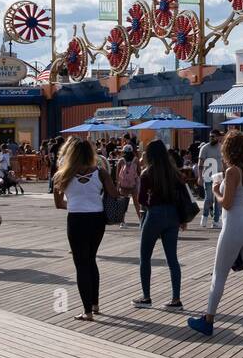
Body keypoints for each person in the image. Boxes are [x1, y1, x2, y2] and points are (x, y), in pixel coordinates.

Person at [188, 131, 243, 338]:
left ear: (228, 149)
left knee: (219, 275)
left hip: (235, 225)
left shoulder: (232, 172)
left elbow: (227, 203)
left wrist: (217, 191)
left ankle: (208, 321)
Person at [53, 137, 119, 320]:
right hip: (97, 219)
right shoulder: (101, 172)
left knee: (81, 264)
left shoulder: (62, 175)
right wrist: (94, 199)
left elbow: (58, 204)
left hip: (76, 219)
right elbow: (114, 194)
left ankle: (87, 311)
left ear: (70, 154)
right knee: (91, 259)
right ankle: (95, 304)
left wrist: (76, 203)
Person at [134, 139, 186, 310]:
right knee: (173, 259)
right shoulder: (174, 173)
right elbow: (181, 197)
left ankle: (146, 297)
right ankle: (176, 299)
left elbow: (141, 199)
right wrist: (182, 219)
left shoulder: (147, 173)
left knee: (145, 258)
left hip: (154, 215)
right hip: (173, 216)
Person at [197, 130, 224, 229]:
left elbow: (225, 162)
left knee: (218, 200)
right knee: (208, 198)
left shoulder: (222, 148)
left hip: (219, 176)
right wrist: (200, 177)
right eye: (210, 136)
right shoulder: (205, 148)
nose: (211, 138)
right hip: (208, 176)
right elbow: (200, 164)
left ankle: (216, 221)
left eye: (213, 136)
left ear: (218, 137)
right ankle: (204, 217)